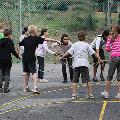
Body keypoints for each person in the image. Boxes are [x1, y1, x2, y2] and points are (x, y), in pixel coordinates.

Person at [60, 30, 103, 100]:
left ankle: (74, 94)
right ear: (85, 37)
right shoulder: (87, 45)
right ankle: (90, 94)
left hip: (76, 64)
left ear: (78, 37)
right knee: (88, 80)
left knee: (75, 80)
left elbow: (68, 52)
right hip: (84, 64)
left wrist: (62, 57)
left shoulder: (75, 44)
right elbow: (94, 53)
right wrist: (100, 59)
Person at [19, 25, 60, 93]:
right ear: (34, 31)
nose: (37, 31)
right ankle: (35, 87)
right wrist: (55, 40)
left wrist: (19, 53)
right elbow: (46, 39)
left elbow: (19, 44)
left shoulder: (25, 39)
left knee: (26, 72)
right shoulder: (36, 38)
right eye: (36, 30)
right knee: (34, 72)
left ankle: (26, 87)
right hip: (31, 57)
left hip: (25, 57)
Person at [101, 25, 120, 99]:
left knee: (110, 76)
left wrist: (111, 46)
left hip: (114, 57)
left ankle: (106, 93)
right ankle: (119, 94)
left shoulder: (110, 37)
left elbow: (107, 49)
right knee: (119, 77)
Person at [0, 29, 19, 93]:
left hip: (1, 59)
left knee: (1, 72)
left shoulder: (0, 41)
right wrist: (17, 56)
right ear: (9, 35)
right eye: (11, 34)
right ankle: (6, 88)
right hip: (7, 59)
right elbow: (13, 51)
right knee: (7, 73)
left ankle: (0, 88)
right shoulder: (10, 41)